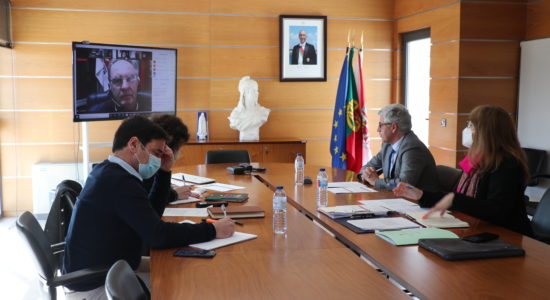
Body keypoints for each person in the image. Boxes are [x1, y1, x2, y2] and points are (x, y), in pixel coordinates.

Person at [63, 116, 234, 298]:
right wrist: (212, 229)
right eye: (156, 153)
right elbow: (157, 235)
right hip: (95, 284)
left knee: (182, 272)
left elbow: (151, 215)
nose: (159, 160)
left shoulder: (109, 171)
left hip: (110, 268)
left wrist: (164, 172)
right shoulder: (119, 182)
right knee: (187, 288)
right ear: (134, 145)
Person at [393, 105, 533, 236]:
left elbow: (495, 210)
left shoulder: (507, 164)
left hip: (507, 234)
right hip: (476, 227)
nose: (466, 130)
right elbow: (457, 198)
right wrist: (421, 195)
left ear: (486, 132)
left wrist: (452, 199)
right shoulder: (476, 161)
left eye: (470, 126)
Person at [360, 104, 438, 191]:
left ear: (393, 127)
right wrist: (366, 174)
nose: (378, 129)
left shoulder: (412, 148)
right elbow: (367, 167)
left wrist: (376, 182)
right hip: (395, 199)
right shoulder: (387, 145)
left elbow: (405, 184)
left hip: (418, 202)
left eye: (380, 125)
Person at [148, 114, 200, 202]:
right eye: (179, 147)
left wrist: (169, 189)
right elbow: (145, 198)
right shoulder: (144, 166)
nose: (178, 154)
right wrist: (174, 194)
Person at [87, 59, 152, 113]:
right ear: (110, 86)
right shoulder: (96, 112)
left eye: (130, 78)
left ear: (138, 82)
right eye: (117, 80)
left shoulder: (152, 110)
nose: (125, 87)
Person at [228, 76, 270, 141]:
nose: (257, 93)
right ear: (244, 94)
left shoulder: (262, 112)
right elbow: (234, 124)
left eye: (256, 91)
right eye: (253, 91)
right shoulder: (235, 114)